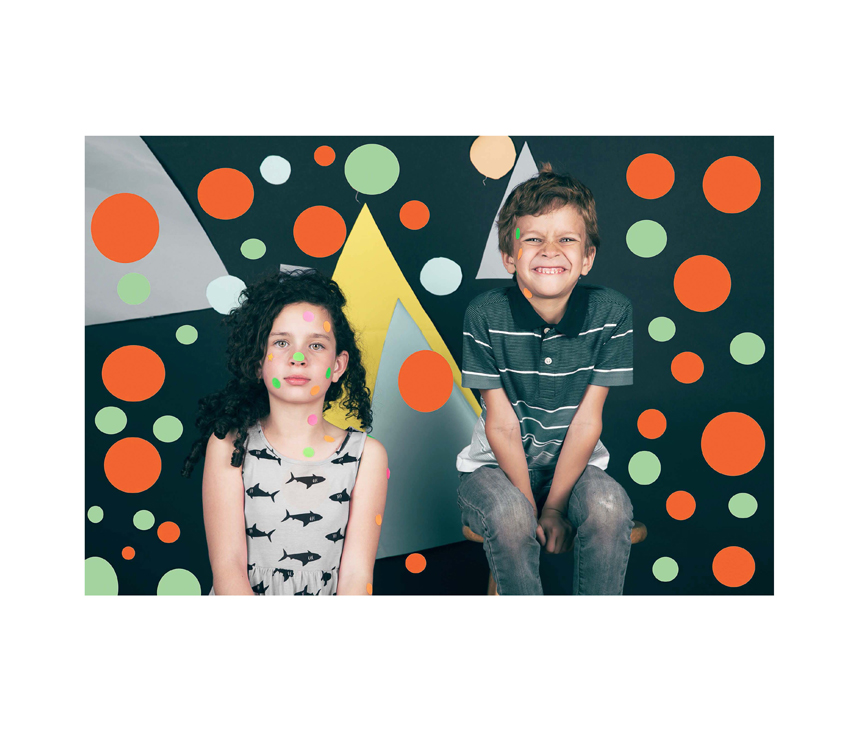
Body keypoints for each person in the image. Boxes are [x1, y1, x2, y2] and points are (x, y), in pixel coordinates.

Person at [456, 163, 634, 595]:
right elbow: (501, 423)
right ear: (509, 257)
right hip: (495, 469)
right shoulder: (484, 315)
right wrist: (528, 504)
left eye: (567, 239)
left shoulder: (612, 313)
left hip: (575, 468)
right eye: (533, 239)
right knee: (512, 516)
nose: (550, 250)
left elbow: (588, 420)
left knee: (609, 507)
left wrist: (553, 506)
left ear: (587, 258)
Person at [182, 268, 388, 596]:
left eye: (316, 345)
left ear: (337, 366)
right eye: (281, 343)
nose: (298, 358)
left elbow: (356, 576)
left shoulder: (367, 457)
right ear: (257, 361)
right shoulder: (229, 445)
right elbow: (228, 569)